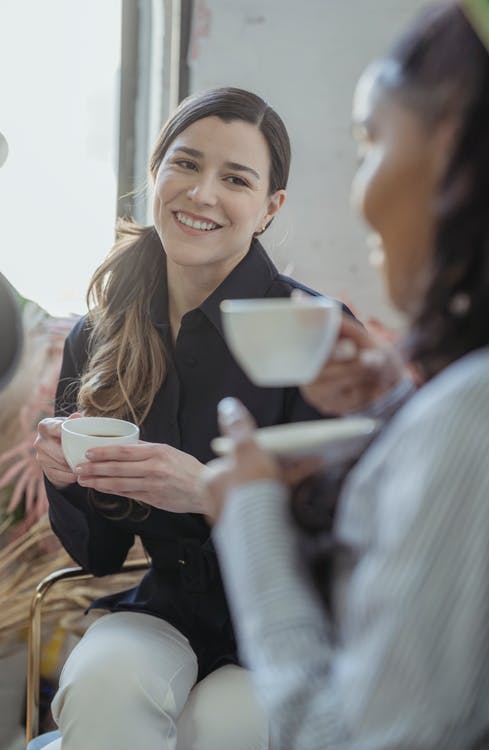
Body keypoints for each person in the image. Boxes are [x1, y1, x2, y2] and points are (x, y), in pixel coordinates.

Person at [205, 3, 489, 748]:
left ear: (457, 142)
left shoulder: (475, 410)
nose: (357, 193)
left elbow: (344, 736)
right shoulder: (455, 401)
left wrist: (250, 514)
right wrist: (395, 411)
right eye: (183, 162)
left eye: (369, 139)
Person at [34, 87, 344, 750]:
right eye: (185, 164)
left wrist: (209, 493)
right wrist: (65, 475)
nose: (202, 194)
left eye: (235, 178)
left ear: (269, 209)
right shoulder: (99, 333)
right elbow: (101, 553)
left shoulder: (313, 330)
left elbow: (350, 530)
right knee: (98, 683)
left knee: (226, 724)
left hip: (292, 621)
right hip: (169, 607)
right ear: (156, 174)